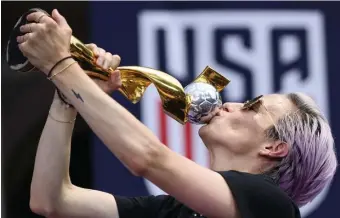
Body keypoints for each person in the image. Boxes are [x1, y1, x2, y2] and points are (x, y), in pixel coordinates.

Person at [17, 9, 337, 218]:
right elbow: (51, 200)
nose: (232, 103)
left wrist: (62, 66)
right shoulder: (176, 209)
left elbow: (147, 158)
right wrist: (67, 97)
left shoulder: (272, 207)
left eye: (253, 106)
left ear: (274, 147)